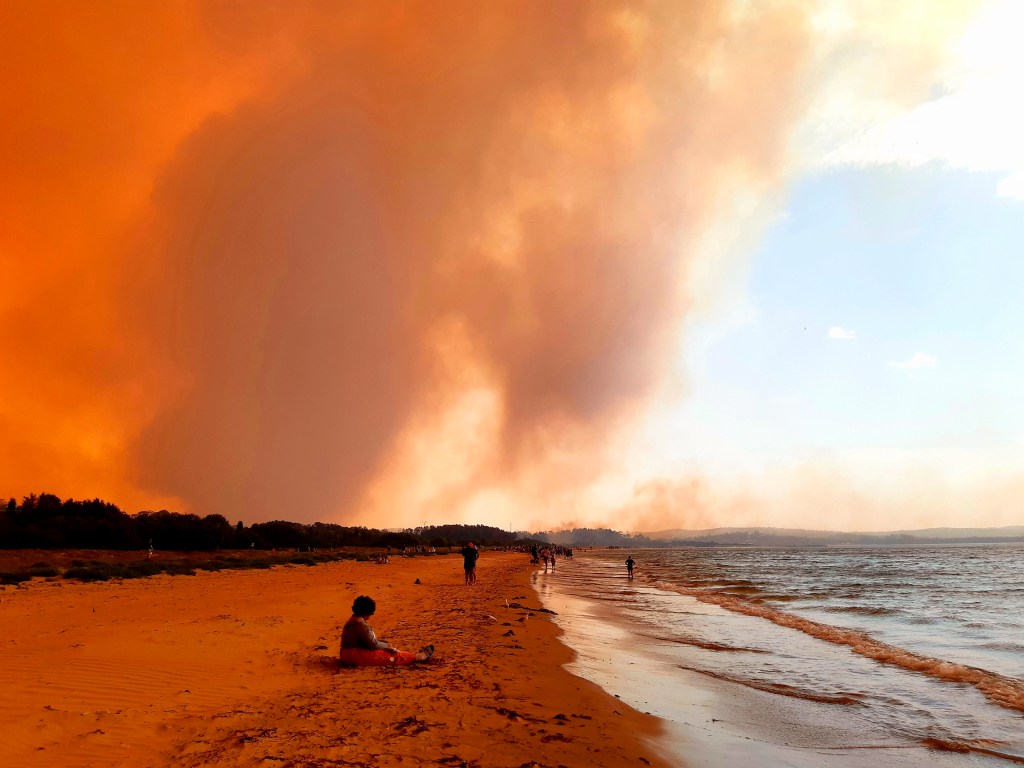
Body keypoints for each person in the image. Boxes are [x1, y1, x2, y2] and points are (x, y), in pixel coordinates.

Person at [338, 596, 434, 667]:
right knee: (391, 656)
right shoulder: (359, 624)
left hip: (346, 655)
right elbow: (372, 644)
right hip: (354, 656)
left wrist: (384, 643)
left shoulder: (352, 621)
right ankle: (419, 657)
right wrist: (387, 646)